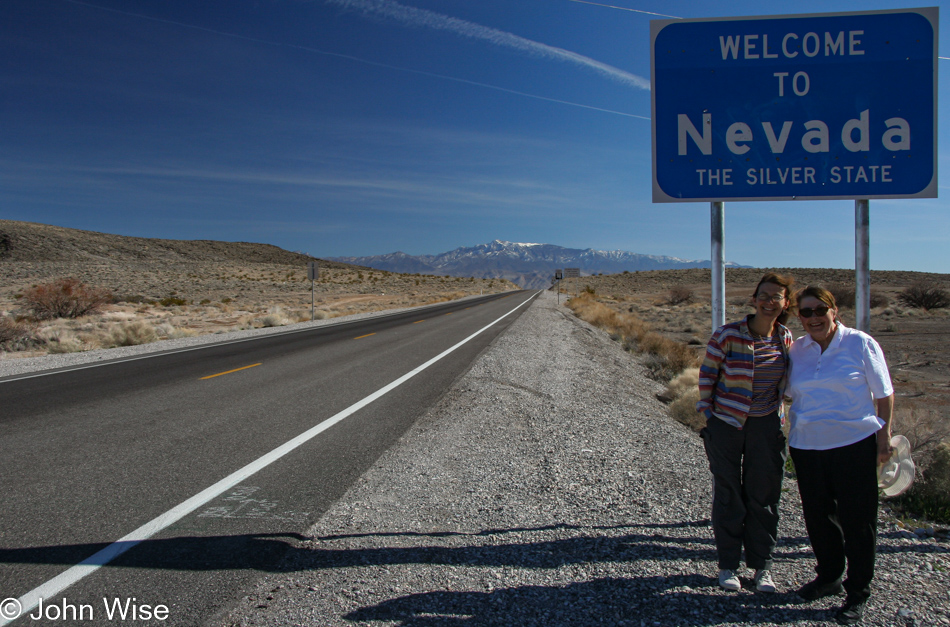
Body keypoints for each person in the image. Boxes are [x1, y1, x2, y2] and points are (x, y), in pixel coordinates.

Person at [786, 286, 895, 625]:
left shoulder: (859, 343)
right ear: (799, 317)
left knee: (858, 522)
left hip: (854, 443)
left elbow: (884, 393)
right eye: (806, 312)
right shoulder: (797, 350)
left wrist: (884, 435)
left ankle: (858, 592)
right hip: (807, 445)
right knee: (818, 518)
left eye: (820, 310)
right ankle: (829, 577)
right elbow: (787, 393)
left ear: (834, 311)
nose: (814, 318)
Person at [697, 272, 794, 593]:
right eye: (763, 295)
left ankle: (762, 567)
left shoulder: (785, 338)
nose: (769, 302)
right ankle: (727, 566)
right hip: (726, 424)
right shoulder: (727, 335)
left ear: (785, 303)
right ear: (754, 299)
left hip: (767, 425)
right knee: (728, 495)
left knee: (764, 496)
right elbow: (708, 375)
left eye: (776, 297)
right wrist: (709, 415)